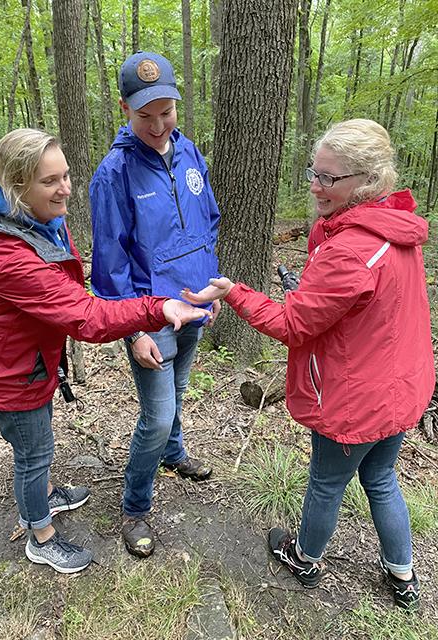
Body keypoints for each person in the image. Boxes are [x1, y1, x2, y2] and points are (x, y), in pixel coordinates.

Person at [182, 119, 434, 611]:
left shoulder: (353, 250)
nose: (315, 186)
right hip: (399, 388)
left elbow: (292, 325)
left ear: (365, 181)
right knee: (381, 478)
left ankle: (305, 556)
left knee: (326, 483)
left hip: (356, 399)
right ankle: (402, 575)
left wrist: (235, 291)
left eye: (327, 178)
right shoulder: (394, 230)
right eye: (312, 173)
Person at [0, 128, 210, 574]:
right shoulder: (5, 256)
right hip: (8, 372)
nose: (66, 188)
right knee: (32, 454)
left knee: (38, 447)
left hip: (29, 357)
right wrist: (158, 308)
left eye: (65, 175)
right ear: (18, 187)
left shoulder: (30, 214)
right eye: (50, 181)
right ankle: (40, 533)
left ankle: (46, 495)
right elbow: (87, 317)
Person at [90, 51, 221, 558]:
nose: (158, 124)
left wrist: (210, 284)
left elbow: (208, 219)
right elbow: (110, 263)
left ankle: (174, 454)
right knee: (158, 412)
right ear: (125, 109)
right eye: (145, 115)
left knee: (179, 389)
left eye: (166, 111)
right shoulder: (114, 172)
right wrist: (136, 329)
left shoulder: (189, 152)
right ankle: (135, 505)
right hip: (151, 312)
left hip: (194, 302)